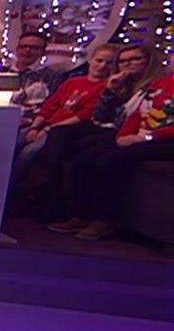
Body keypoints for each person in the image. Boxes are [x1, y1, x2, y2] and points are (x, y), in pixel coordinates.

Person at [51, 52, 174, 241]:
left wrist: (146, 137)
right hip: (139, 135)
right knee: (83, 158)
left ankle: (105, 220)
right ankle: (81, 215)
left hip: (164, 140)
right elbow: (138, 114)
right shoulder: (161, 83)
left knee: (112, 161)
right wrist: (124, 136)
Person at [37, 44, 157, 227]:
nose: (127, 64)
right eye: (123, 61)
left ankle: (99, 219)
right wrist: (110, 90)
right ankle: (56, 204)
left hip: (135, 134)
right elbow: (101, 116)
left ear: (148, 62)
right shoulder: (120, 84)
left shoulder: (155, 86)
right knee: (60, 137)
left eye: (134, 59)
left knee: (91, 159)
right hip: (109, 129)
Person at [12, 44, 119, 192]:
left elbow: (84, 116)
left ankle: (10, 188)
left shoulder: (106, 88)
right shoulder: (72, 82)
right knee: (12, 142)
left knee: (28, 153)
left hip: (64, 130)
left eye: (109, 63)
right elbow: (50, 106)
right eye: (99, 60)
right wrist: (35, 127)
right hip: (45, 124)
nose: (102, 66)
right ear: (91, 60)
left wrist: (48, 129)